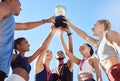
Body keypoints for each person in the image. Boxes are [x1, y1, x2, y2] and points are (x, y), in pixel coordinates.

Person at [0, 0, 55, 80]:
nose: (21, 8)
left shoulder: (10, 20)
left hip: (3, 72)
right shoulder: (5, 7)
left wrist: (46, 22)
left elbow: (26, 26)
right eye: (19, 3)